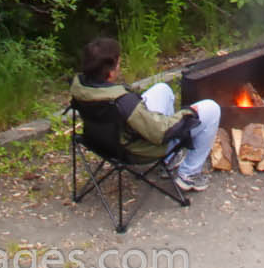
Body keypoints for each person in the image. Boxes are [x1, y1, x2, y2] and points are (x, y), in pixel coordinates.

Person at [69, 36, 222, 192]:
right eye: (118, 64)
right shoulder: (122, 101)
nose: (120, 67)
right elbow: (160, 132)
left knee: (162, 89)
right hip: (134, 150)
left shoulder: (80, 86)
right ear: (109, 73)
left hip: (100, 143)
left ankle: (169, 161)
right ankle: (188, 175)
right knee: (211, 108)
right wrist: (187, 114)